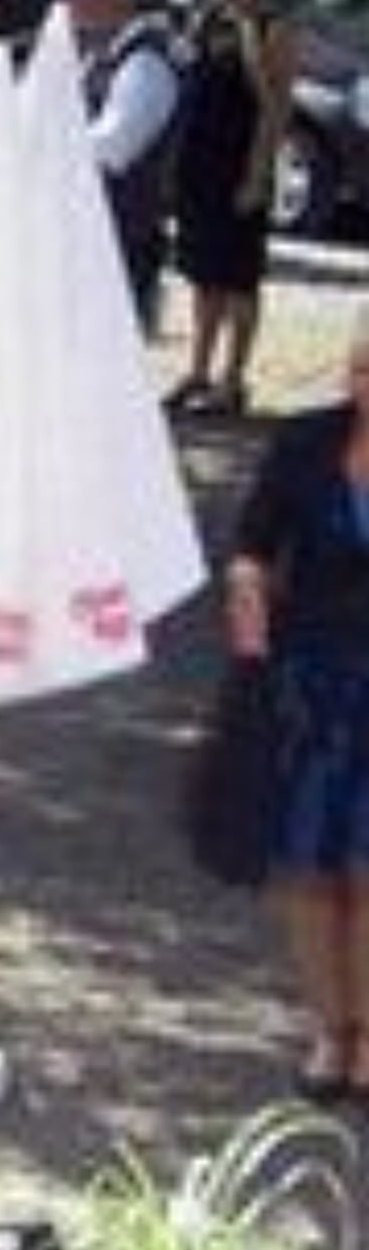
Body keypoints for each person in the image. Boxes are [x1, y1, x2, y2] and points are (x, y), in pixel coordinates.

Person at [228, 319, 369, 1097]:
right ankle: (330, 1028)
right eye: (360, 368)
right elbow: (254, 537)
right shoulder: (306, 441)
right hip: (311, 686)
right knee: (311, 870)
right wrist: (247, 578)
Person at [172, 0, 298, 416]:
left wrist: (258, 175)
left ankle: (233, 379)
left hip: (242, 165)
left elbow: (275, 109)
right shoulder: (208, 20)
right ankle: (198, 371)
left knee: (239, 278)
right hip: (200, 164)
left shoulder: (272, 27)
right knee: (204, 274)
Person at [71, 0, 183, 334]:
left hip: (126, 233)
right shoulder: (98, 57)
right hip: (95, 229)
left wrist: (53, 145)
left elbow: (115, 148)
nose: (73, 7)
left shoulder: (145, 64)